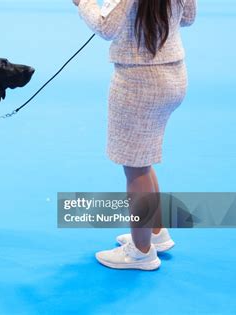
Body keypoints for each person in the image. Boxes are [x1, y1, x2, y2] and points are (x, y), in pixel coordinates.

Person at [73, 0, 197, 270]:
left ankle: (141, 252)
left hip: (140, 81)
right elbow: (188, 17)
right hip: (174, 73)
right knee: (144, 159)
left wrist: (82, 2)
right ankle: (155, 232)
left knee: (136, 168)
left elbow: (107, 26)